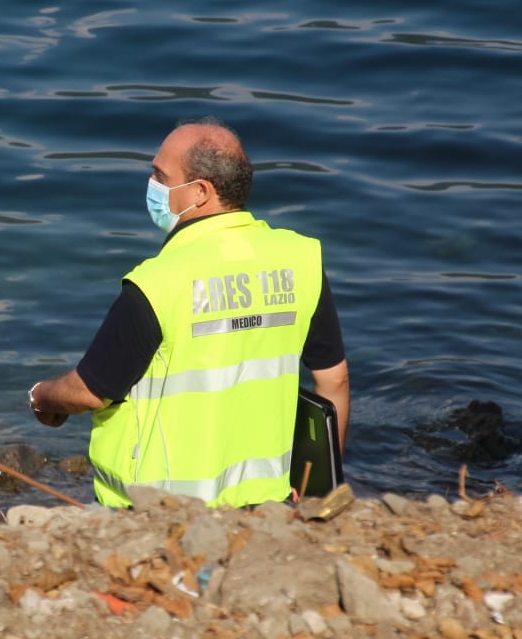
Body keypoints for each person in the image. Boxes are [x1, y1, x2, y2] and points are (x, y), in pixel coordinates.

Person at [28, 118, 349, 510]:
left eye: (160, 175)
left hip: (159, 510)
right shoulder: (302, 262)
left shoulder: (157, 282)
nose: (153, 185)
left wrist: (42, 396)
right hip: (266, 504)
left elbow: (91, 392)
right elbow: (334, 382)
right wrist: (316, 488)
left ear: (199, 192)